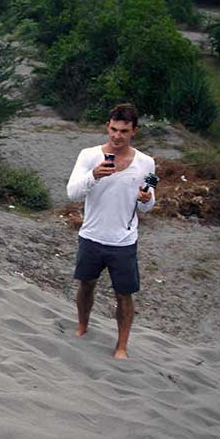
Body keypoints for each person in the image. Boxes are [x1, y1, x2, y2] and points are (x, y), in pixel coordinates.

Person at [66, 103, 156, 359]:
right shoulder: (87, 155)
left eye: (124, 131)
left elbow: (151, 204)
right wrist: (94, 175)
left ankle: (122, 347)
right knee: (86, 285)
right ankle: (82, 327)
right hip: (91, 236)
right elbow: (72, 192)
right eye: (113, 129)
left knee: (124, 295)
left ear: (134, 131)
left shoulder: (148, 163)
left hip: (124, 241)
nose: (117, 136)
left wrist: (145, 198)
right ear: (107, 126)